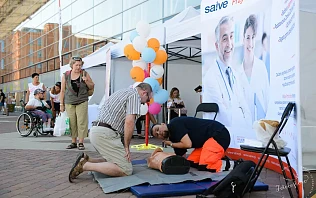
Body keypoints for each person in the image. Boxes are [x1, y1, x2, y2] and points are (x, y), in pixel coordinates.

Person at [68, 83, 153, 183]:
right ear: (144, 93)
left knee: (114, 160)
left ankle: (87, 160)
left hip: (99, 131)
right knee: (126, 169)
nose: (144, 104)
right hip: (105, 133)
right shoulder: (134, 95)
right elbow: (129, 122)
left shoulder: (123, 91)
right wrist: (126, 147)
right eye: (147, 100)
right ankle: (85, 166)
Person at [203, 16, 251, 128]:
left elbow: (246, 109)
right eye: (224, 39)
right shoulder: (210, 78)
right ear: (216, 45)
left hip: (240, 136)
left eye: (231, 37)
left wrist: (244, 123)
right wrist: (239, 114)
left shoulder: (234, 74)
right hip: (223, 137)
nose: (229, 44)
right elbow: (224, 117)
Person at [151, 117, 231, 172]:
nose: (159, 133)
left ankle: (232, 165)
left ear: (163, 124)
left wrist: (172, 144)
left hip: (219, 134)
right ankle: (218, 156)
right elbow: (181, 157)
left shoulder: (174, 124)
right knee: (191, 163)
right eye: (157, 135)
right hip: (205, 143)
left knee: (206, 165)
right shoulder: (173, 139)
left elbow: (187, 144)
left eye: (157, 129)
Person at [236, 15, 270, 122]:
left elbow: (267, 101)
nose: (250, 43)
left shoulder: (261, 67)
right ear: (243, 39)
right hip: (242, 128)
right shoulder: (237, 72)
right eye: (247, 37)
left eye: (253, 37)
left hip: (261, 128)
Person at [60, 56, 94, 150]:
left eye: (80, 65)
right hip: (69, 102)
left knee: (81, 121)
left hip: (82, 101)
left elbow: (91, 86)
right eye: (76, 65)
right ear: (72, 65)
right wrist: (61, 104)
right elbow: (62, 91)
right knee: (72, 122)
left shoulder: (84, 73)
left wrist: (86, 81)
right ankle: (73, 142)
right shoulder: (66, 75)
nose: (78, 67)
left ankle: (81, 142)